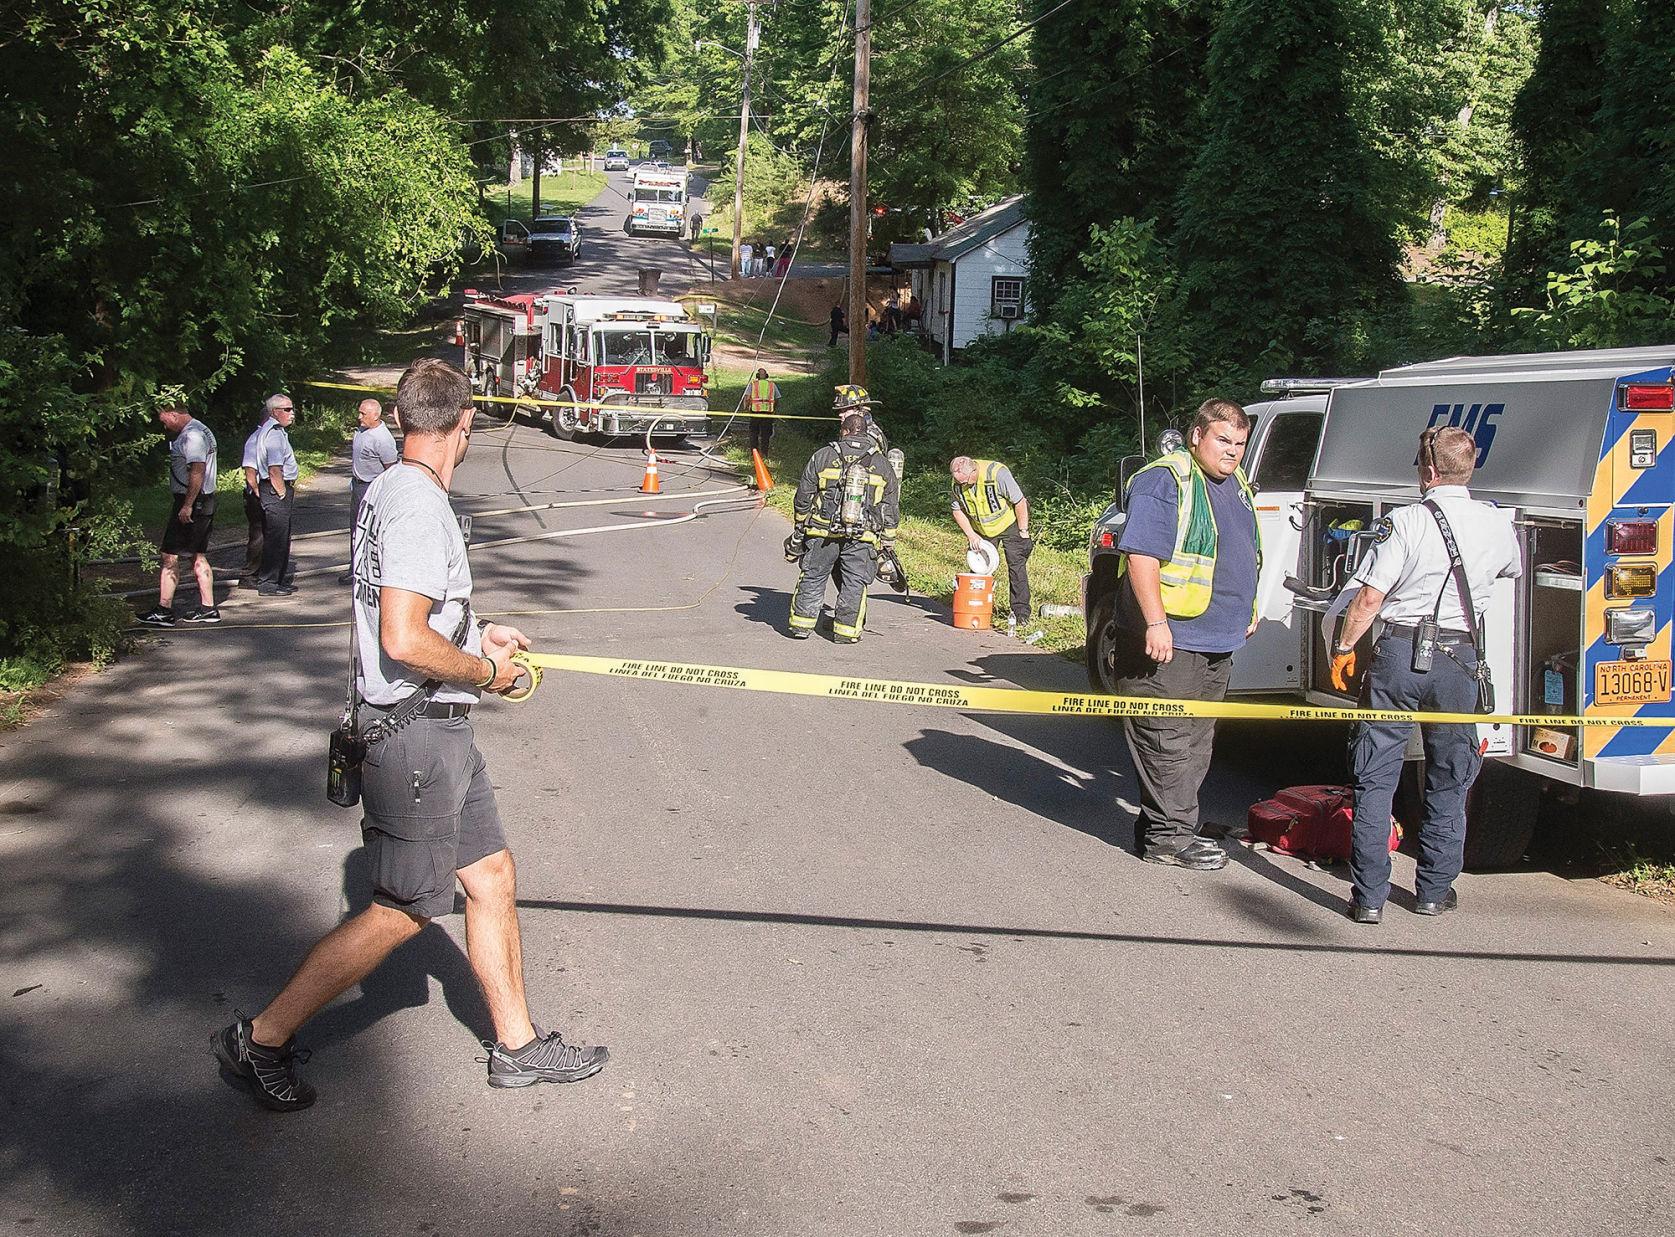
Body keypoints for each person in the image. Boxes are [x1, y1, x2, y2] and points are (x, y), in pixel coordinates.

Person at [213, 358, 608, 1112]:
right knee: (404, 908)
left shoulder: (394, 486)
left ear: (398, 421)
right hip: (417, 735)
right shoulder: (422, 507)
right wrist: (487, 673)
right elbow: (401, 635)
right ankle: (258, 1039)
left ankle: (518, 1046)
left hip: (435, 726)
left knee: (489, 875)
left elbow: (412, 614)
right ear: (465, 425)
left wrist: (472, 632)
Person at [1329, 426, 1521, 924]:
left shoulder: (1406, 522)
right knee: (1449, 777)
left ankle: (1369, 897)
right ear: (1469, 467)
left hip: (1399, 654)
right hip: (1459, 661)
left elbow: (1369, 599)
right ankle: (1434, 890)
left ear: (1428, 471)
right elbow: (1508, 572)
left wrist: (1345, 646)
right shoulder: (1498, 524)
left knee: (1376, 776)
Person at [1114, 399, 1261, 871]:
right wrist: (1156, 623)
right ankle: (1168, 839)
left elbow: (1242, 551)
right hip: (1172, 637)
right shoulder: (1166, 479)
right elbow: (1141, 556)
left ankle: (1168, 826)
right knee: (1166, 738)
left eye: (1240, 443)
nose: (1233, 452)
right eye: (1223, 440)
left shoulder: (1234, 482)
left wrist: (1249, 609)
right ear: (1196, 435)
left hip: (1218, 638)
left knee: (1195, 742)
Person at [786, 411, 900, 643]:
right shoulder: (881, 463)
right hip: (863, 536)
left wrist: (800, 522)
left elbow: (804, 493)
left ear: (844, 431)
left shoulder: (824, 455)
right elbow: (890, 504)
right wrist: (888, 538)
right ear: (866, 433)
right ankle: (846, 632)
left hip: (822, 531)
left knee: (813, 576)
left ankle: (801, 625)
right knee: (855, 583)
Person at [137, 393, 220, 627]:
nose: (162, 423)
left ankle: (164, 609)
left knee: (169, 554)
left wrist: (187, 505)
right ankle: (208, 607)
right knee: (197, 554)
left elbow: (197, 470)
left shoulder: (192, 436)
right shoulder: (200, 430)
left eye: (163, 418)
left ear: (174, 413)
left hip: (192, 500)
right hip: (201, 500)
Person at [949, 456, 1033, 626]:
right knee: (979, 567)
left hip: (1009, 524)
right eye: (959, 482)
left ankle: (1020, 612)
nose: (962, 485)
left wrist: (1023, 532)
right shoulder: (957, 483)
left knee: (1016, 567)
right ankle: (976, 606)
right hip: (981, 530)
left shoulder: (997, 474)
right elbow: (957, 511)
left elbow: (1020, 502)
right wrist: (971, 535)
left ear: (973, 471)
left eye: (964, 482)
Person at [338, 398, 399, 585]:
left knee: (371, 530)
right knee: (356, 530)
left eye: (363, 414)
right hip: (358, 486)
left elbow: (391, 469)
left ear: (375, 415)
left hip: (372, 488)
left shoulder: (383, 439)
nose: (359, 417)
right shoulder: (361, 431)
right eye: (359, 412)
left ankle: (372, 571)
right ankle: (354, 568)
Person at [251, 393, 299, 596]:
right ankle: (269, 583)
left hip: (275, 488)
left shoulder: (276, 432)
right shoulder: (274, 434)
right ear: (274, 412)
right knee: (276, 538)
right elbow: (274, 469)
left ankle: (277, 580)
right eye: (286, 410)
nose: (292, 414)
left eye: (291, 408)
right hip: (275, 489)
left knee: (281, 536)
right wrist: (281, 492)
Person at [239, 405, 268, 587]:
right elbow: (250, 471)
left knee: (268, 533)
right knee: (258, 535)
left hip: (267, 493)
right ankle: (250, 574)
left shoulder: (271, 437)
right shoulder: (255, 440)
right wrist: (258, 494)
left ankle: (264, 572)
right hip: (257, 495)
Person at [745, 367, 780, 458]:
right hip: (768, 413)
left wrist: (746, 408)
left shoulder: (753, 384)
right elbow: (777, 398)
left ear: (757, 376)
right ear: (767, 376)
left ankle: (754, 453)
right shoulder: (772, 385)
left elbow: (748, 398)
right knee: (765, 435)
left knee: (753, 433)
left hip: (755, 412)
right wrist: (773, 409)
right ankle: (764, 453)